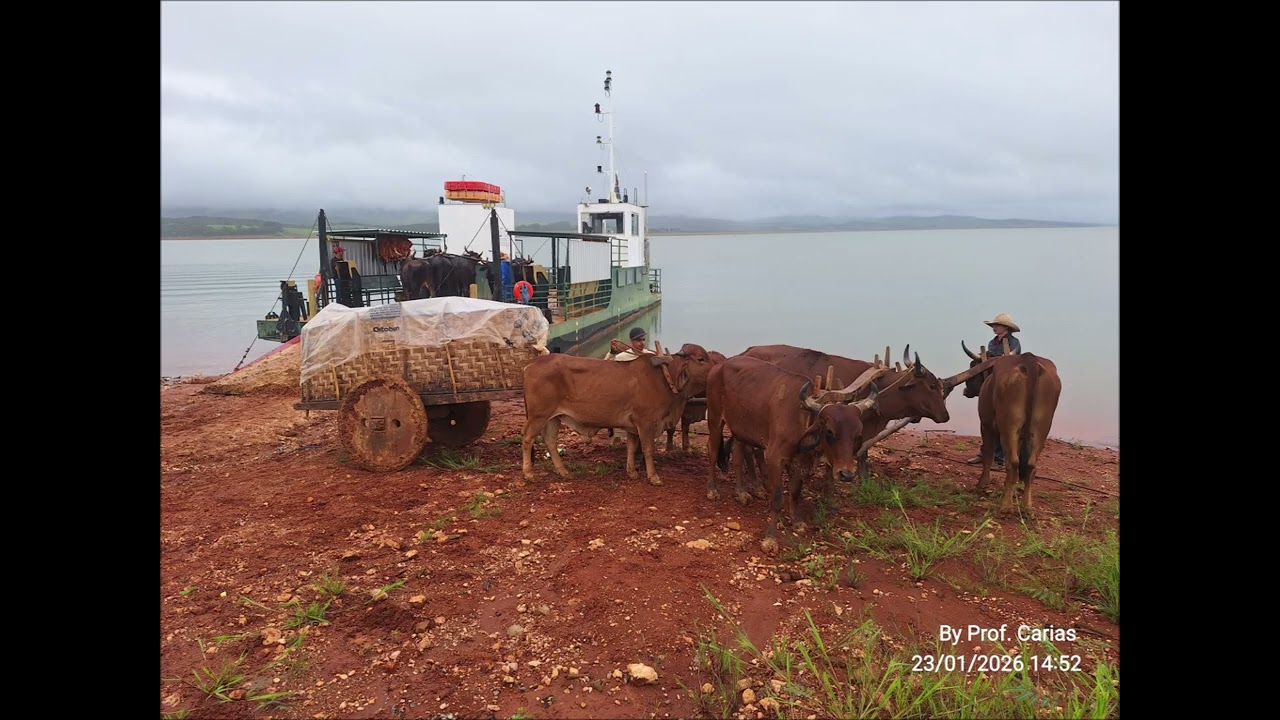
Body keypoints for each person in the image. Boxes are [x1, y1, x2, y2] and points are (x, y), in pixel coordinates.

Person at [966, 313, 1022, 468]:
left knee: (1002, 422)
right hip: (990, 379)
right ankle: (985, 453)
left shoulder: (1014, 342)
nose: (994, 327)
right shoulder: (992, 342)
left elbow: (1012, 359)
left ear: (1006, 327)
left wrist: (995, 358)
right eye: (993, 325)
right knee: (987, 421)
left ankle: (999, 459)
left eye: (997, 325)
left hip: (1007, 383)